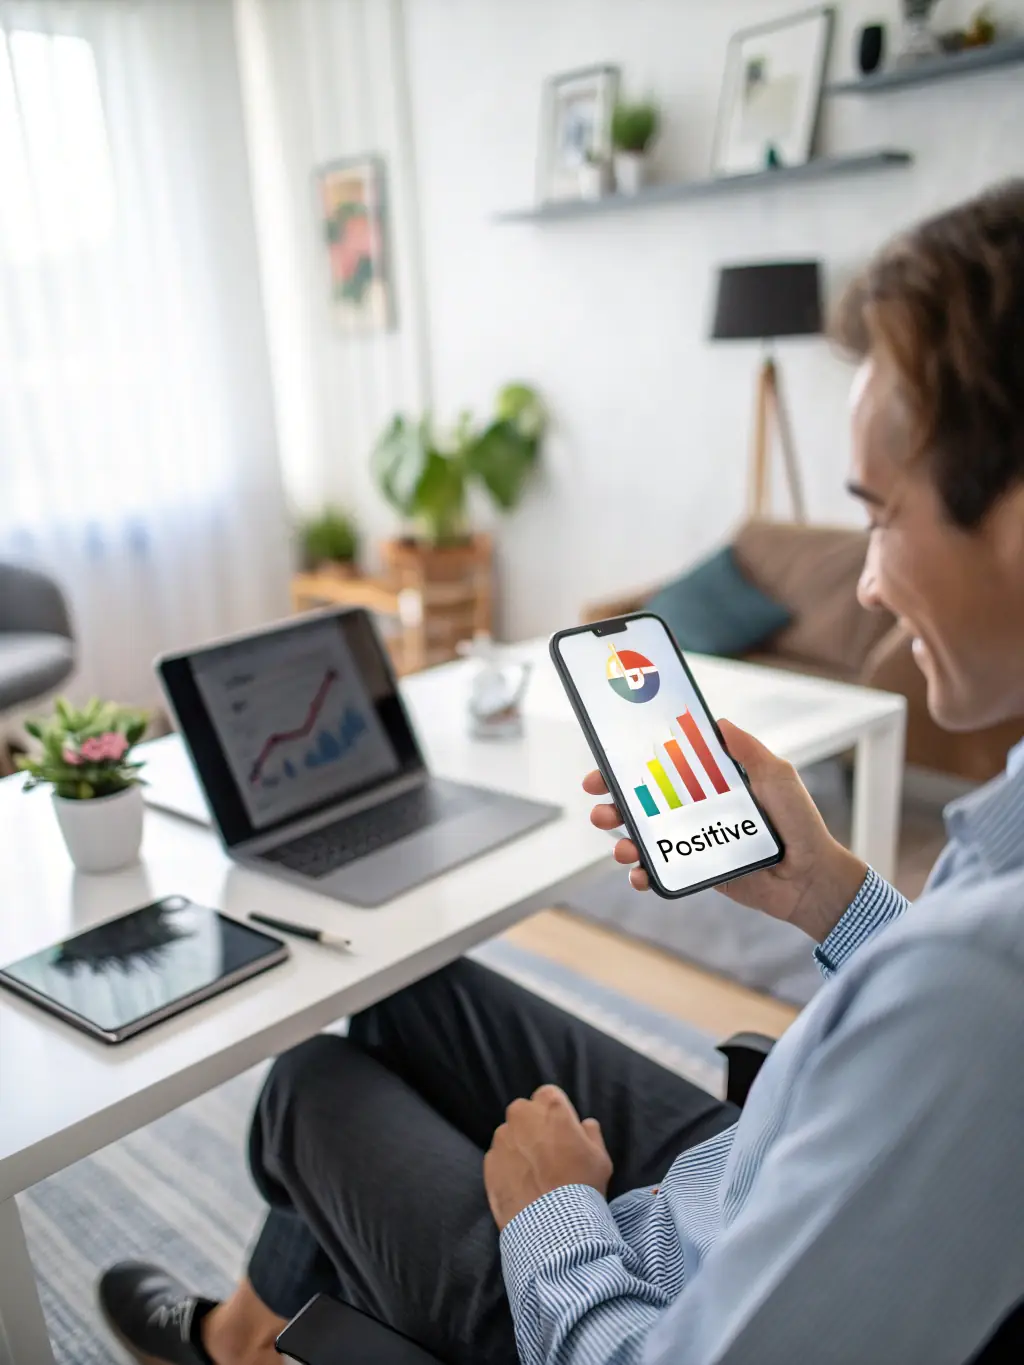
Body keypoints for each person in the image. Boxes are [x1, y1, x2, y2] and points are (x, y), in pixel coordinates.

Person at [99, 181, 1024, 1365]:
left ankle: (228, 1346)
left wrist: (552, 1220)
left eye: (879, 516)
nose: (866, 584)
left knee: (311, 1089)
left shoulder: (980, 990)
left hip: (635, 1297)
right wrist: (831, 894)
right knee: (402, 987)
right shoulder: (989, 889)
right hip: (737, 1171)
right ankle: (247, 1334)